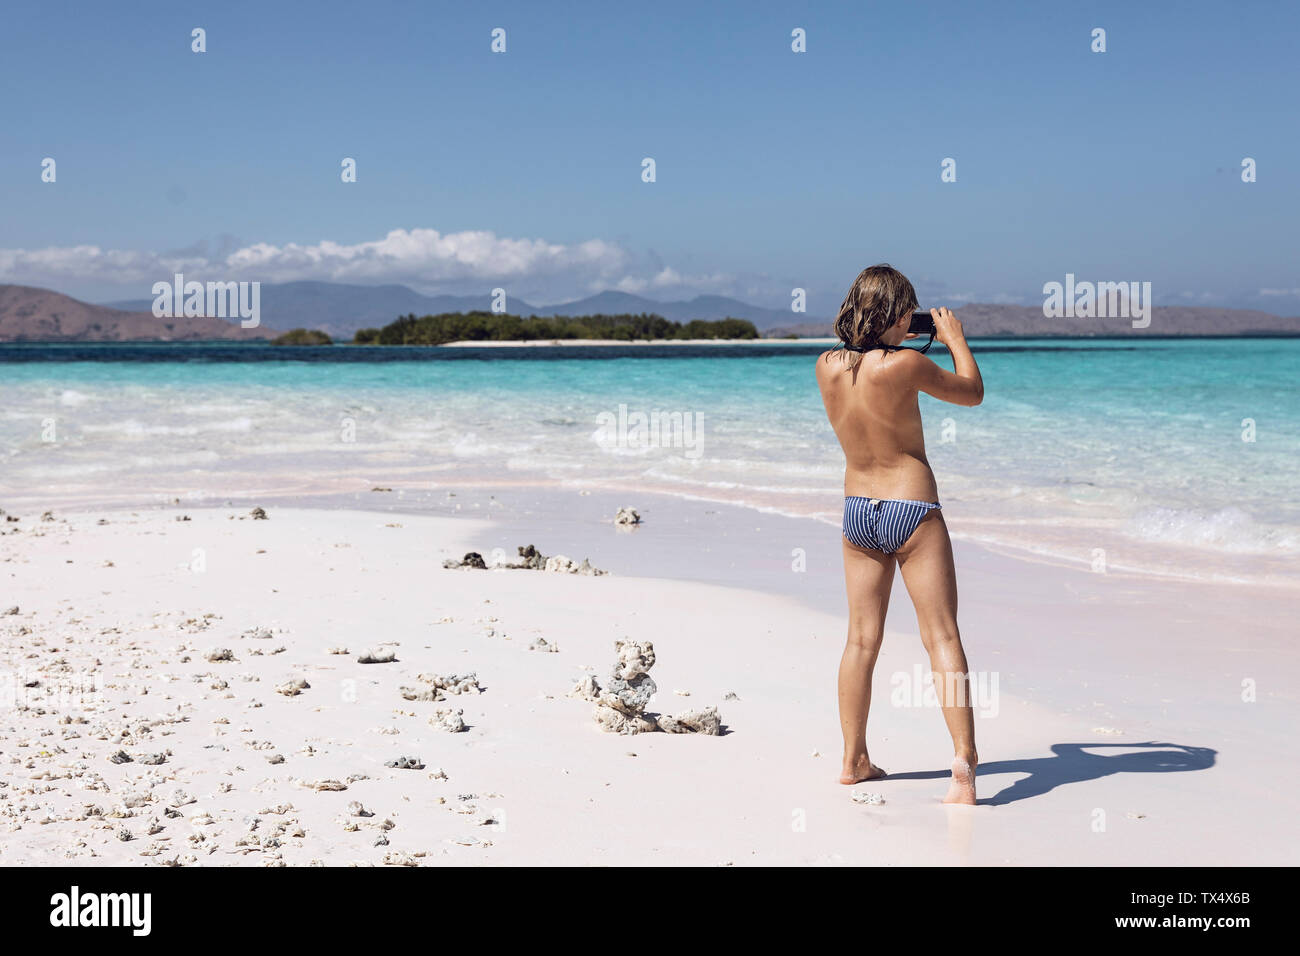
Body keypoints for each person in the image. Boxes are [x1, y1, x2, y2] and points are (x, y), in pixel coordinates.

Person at [814, 264, 984, 804]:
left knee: (861, 640)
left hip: (858, 510)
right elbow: (972, 393)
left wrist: (888, 333)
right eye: (907, 311)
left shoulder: (826, 366)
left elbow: (866, 358)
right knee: (942, 637)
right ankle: (963, 768)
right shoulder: (910, 364)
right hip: (911, 506)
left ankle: (853, 759)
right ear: (898, 314)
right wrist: (953, 339)